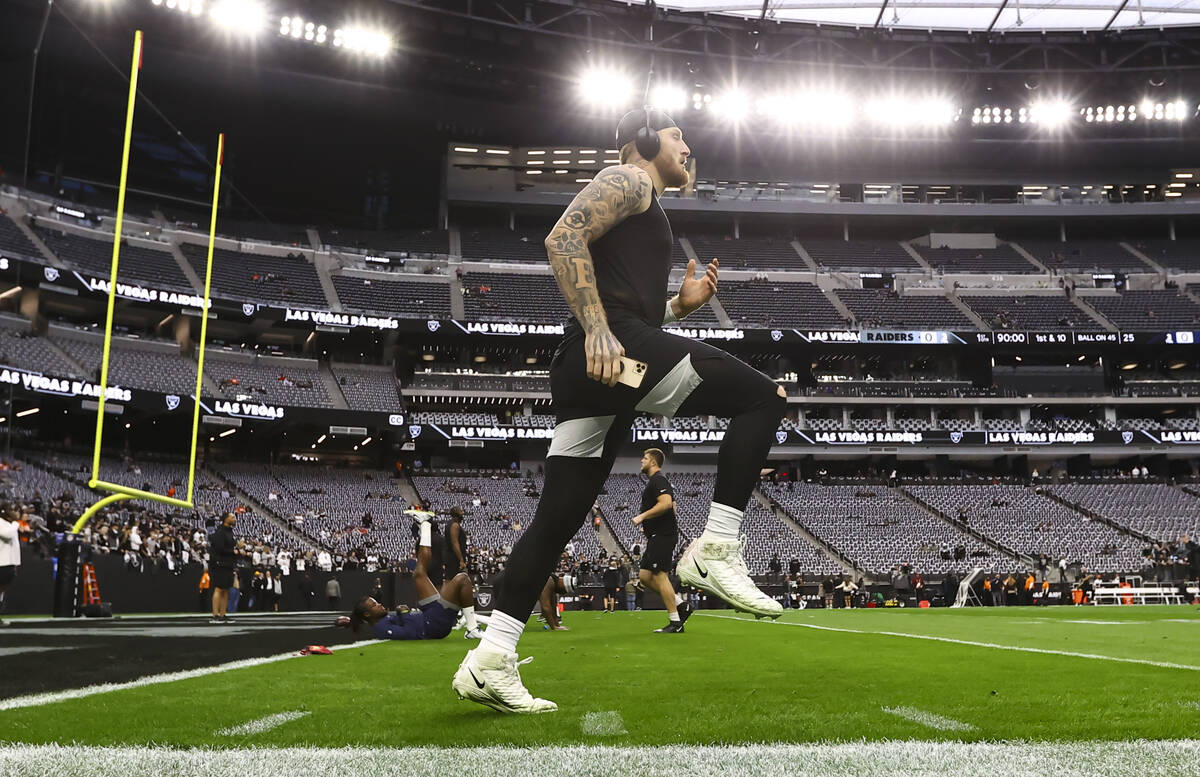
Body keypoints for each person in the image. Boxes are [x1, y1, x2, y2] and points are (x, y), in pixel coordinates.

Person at [453, 108, 786, 713]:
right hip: (605, 350)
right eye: (678, 134)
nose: (689, 146)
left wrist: (678, 308)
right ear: (644, 140)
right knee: (763, 397)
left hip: (595, 369)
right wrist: (599, 331)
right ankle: (715, 549)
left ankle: (490, 660)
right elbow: (563, 237)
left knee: (557, 520)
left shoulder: (647, 207)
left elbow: (623, 299)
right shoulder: (630, 179)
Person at [338, 511, 482, 640]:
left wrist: (351, 621)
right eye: (374, 605)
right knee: (462, 579)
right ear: (368, 614)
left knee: (419, 573)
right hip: (434, 624)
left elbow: (366, 621)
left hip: (428, 616)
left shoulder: (379, 620)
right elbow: (406, 634)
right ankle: (472, 629)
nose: (379, 604)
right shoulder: (381, 628)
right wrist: (404, 614)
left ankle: (424, 524)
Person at [632, 448, 690, 633]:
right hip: (657, 535)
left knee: (659, 575)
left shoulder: (658, 479)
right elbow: (672, 506)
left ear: (653, 463)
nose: (642, 461)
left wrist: (642, 517)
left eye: (645, 458)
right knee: (644, 577)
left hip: (663, 535)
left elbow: (665, 503)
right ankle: (681, 605)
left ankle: (675, 623)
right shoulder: (656, 482)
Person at [209, 513, 237, 624]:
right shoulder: (220, 532)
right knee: (219, 588)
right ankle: (215, 615)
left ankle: (223, 614)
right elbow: (220, 548)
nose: (234, 519)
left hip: (228, 563)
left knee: (226, 589)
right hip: (220, 563)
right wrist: (234, 551)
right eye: (232, 517)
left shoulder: (229, 531)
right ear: (225, 519)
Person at [0, 509, 20, 626]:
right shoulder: (7, 525)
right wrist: (15, 524)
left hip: (8, 563)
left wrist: (16, 563)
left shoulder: (8, 525)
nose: (15, 512)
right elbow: (7, 535)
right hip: (2, 563)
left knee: (1, 591)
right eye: (12, 510)